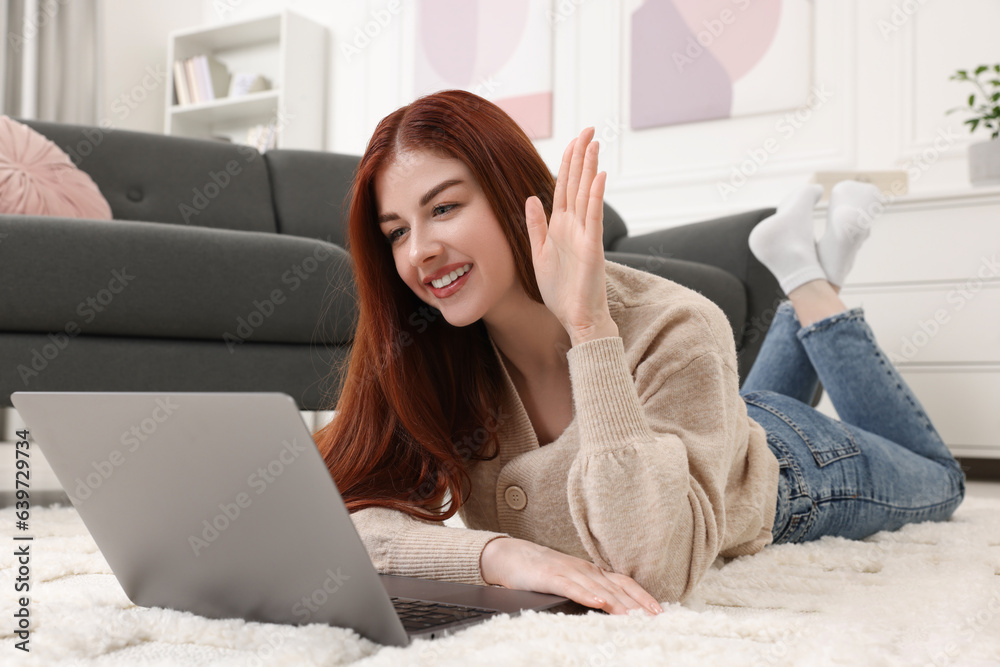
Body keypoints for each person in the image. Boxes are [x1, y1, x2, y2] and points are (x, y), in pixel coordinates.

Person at [313, 90, 966, 616]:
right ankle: (807, 271)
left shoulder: (676, 322)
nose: (418, 249)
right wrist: (499, 556)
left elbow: (654, 567)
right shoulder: (433, 351)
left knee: (941, 478)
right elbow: (333, 520)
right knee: (725, 414)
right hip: (697, 423)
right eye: (396, 232)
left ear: (516, 196)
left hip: (793, 468)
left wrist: (589, 324)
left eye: (445, 207)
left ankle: (810, 283)